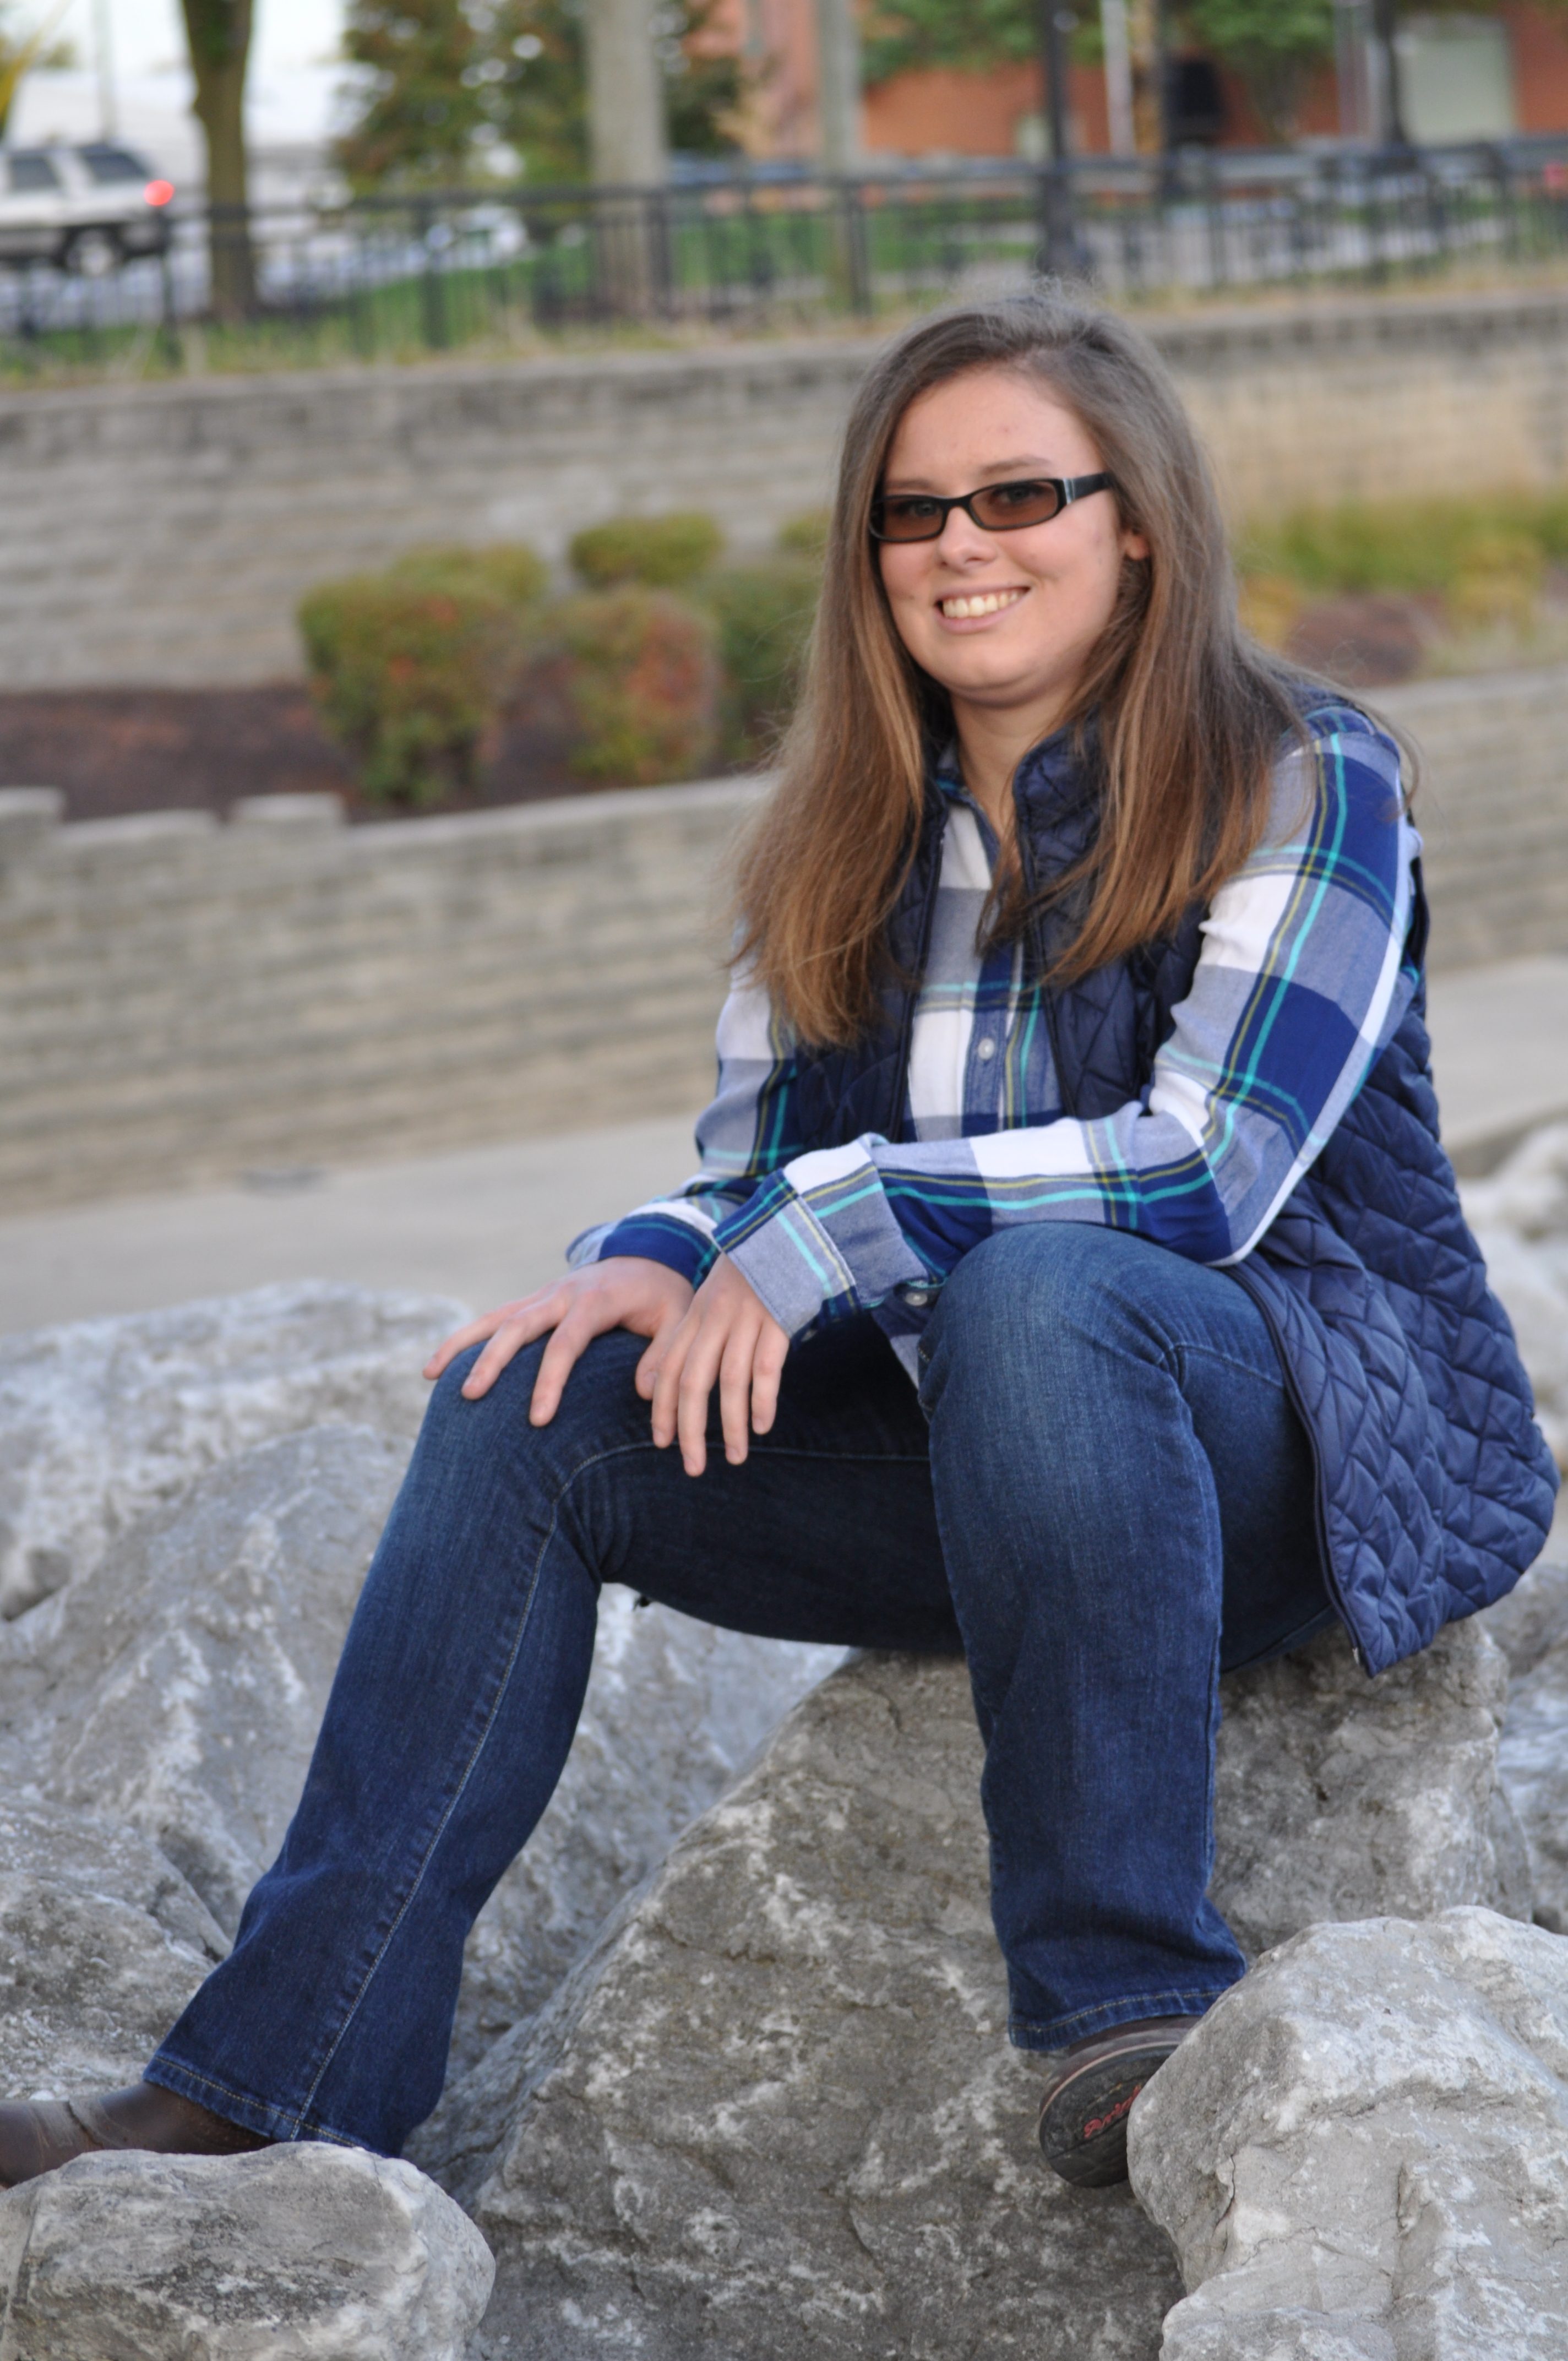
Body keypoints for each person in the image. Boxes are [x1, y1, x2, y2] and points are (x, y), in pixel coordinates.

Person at [2, 295, 1555, 2197]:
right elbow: (754, 1173)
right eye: (913, 511)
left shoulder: (1302, 777)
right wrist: (657, 1253)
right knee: (533, 1401)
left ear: (1138, 523)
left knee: (1046, 1286)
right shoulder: (845, 829)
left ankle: (1128, 2008)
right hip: (990, 1471)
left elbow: (1206, 1173)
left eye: (1019, 495)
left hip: (1291, 1465)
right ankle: (273, 2081)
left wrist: (829, 1220)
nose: (961, 546)